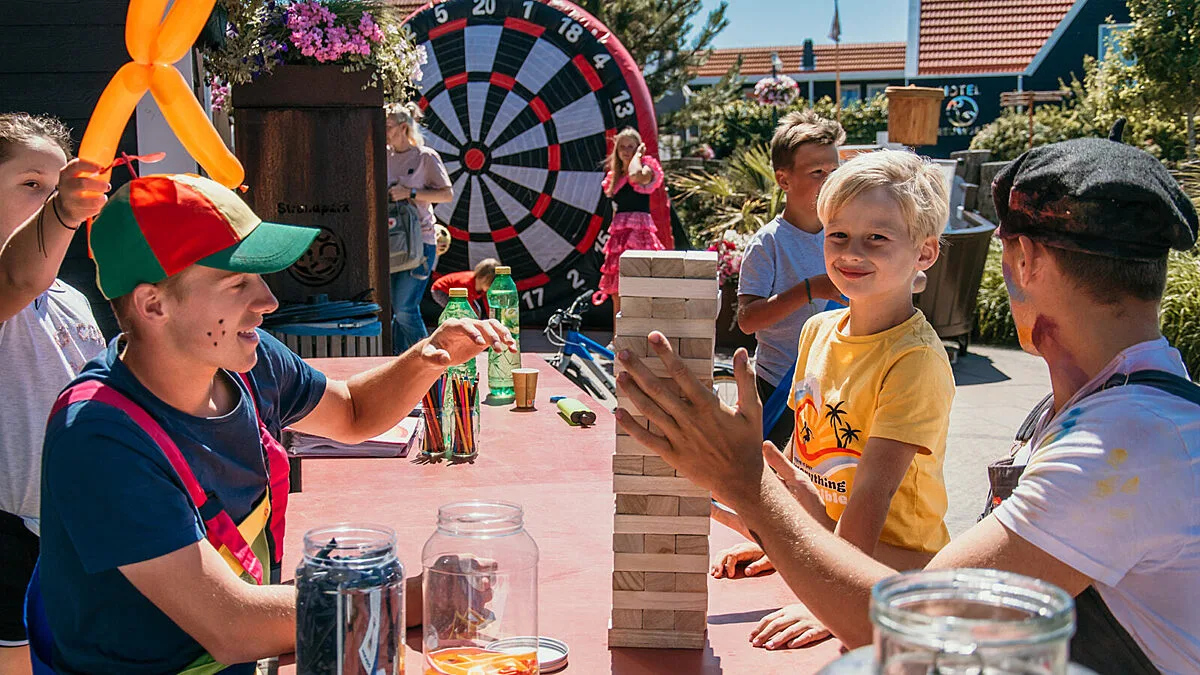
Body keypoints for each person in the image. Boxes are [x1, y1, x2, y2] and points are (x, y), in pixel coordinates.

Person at [615, 133, 1200, 674]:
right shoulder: (1119, 408)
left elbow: (910, 624)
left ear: (1023, 260)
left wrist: (744, 482)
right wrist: (787, 520)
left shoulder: (1120, 448)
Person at [36, 173, 514, 674]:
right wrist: (416, 596)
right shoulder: (96, 437)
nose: (268, 302)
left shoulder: (248, 360)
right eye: (238, 282)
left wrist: (427, 358)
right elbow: (232, 625)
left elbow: (352, 412)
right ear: (152, 303)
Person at [714, 150, 956, 650]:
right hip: (835, 548)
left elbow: (870, 497)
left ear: (925, 253)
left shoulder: (913, 360)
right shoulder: (817, 330)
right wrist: (787, 540)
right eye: (838, 235)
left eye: (878, 238)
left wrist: (826, 595)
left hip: (899, 568)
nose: (852, 252)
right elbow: (809, 472)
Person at [0, 113, 107, 675]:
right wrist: (61, 211)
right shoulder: (10, 282)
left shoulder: (70, 295)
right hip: (10, 532)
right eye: (31, 185)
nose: (53, 197)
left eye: (60, 184)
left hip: (75, 525)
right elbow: (17, 279)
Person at [736, 110, 845, 452]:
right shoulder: (768, 243)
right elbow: (747, 320)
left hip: (836, 385)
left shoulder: (847, 233)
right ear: (784, 180)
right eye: (817, 173)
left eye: (834, 171)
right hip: (780, 387)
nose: (829, 181)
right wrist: (810, 290)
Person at [386, 101, 453, 353]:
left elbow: (446, 194)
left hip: (421, 240)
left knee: (405, 309)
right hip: (393, 241)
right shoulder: (384, 154)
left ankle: (429, 362)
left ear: (404, 127)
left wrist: (410, 192)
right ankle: (400, 367)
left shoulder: (425, 156)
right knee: (396, 311)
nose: (384, 130)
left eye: (388, 126)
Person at [595, 127, 665, 323]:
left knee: (639, 285)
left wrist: (638, 156)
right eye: (622, 147)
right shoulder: (614, 176)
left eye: (631, 147)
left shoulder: (646, 168)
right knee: (617, 290)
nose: (626, 151)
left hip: (640, 233)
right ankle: (619, 336)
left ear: (639, 148)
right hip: (620, 235)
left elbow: (635, 176)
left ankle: (640, 332)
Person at [430, 257, 498, 316]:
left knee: (477, 311)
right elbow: (466, 306)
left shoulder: (483, 287)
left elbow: (488, 304)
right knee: (458, 311)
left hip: (460, 294)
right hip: (441, 290)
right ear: (484, 278)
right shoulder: (466, 284)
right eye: (490, 283)